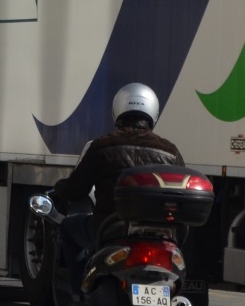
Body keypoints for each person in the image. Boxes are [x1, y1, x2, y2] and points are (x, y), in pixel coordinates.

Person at [51, 83, 183, 285]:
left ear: (117, 111)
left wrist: (59, 189)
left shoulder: (102, 146)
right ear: (153, 113)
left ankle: (79, 293)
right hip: (158, 231)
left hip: (109, 227)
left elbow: (76, 191)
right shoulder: (170, 151)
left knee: (68, 228)